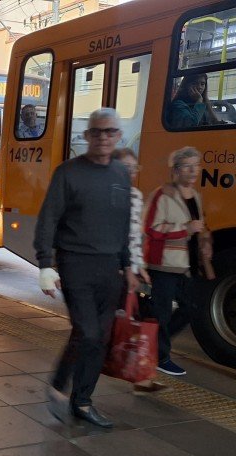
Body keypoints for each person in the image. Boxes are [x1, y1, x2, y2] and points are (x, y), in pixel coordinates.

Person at [35, 108, 138, 428]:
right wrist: (44, 265)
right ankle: (63, 387)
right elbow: (49, 218)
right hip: (75, 262)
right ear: (87, 136)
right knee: (88, 332)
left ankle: (81, 400)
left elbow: (123, 224)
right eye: (97, 132)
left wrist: (128, 265)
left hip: (110, 268)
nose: (103, 138)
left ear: (118, 136)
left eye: (110, 132)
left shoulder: (121, 173)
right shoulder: (68, 172)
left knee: (99, 337)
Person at [143, 146, 213, 376]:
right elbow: (152, 228)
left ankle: (153, 345)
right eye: (188, 166)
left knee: (192, 307)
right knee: (162, 311)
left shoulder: (197, 197)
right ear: (176, 170)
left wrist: (205, 240)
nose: (194, 171)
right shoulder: (162, 195)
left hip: (187, 264)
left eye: (197, 165)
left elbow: (200, 226)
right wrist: (184, 229)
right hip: (163, 262)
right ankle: (160, 356)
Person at [111, 148, 166, 394]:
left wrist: (139, 266)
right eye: (126, 167)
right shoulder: (106, 194)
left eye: (134, 168)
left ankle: (142, 377)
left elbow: (134, 236)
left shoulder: (135, 195)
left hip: (128, 270)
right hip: (112, 270)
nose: (131, 173)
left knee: (135, 322)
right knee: (108, 327)